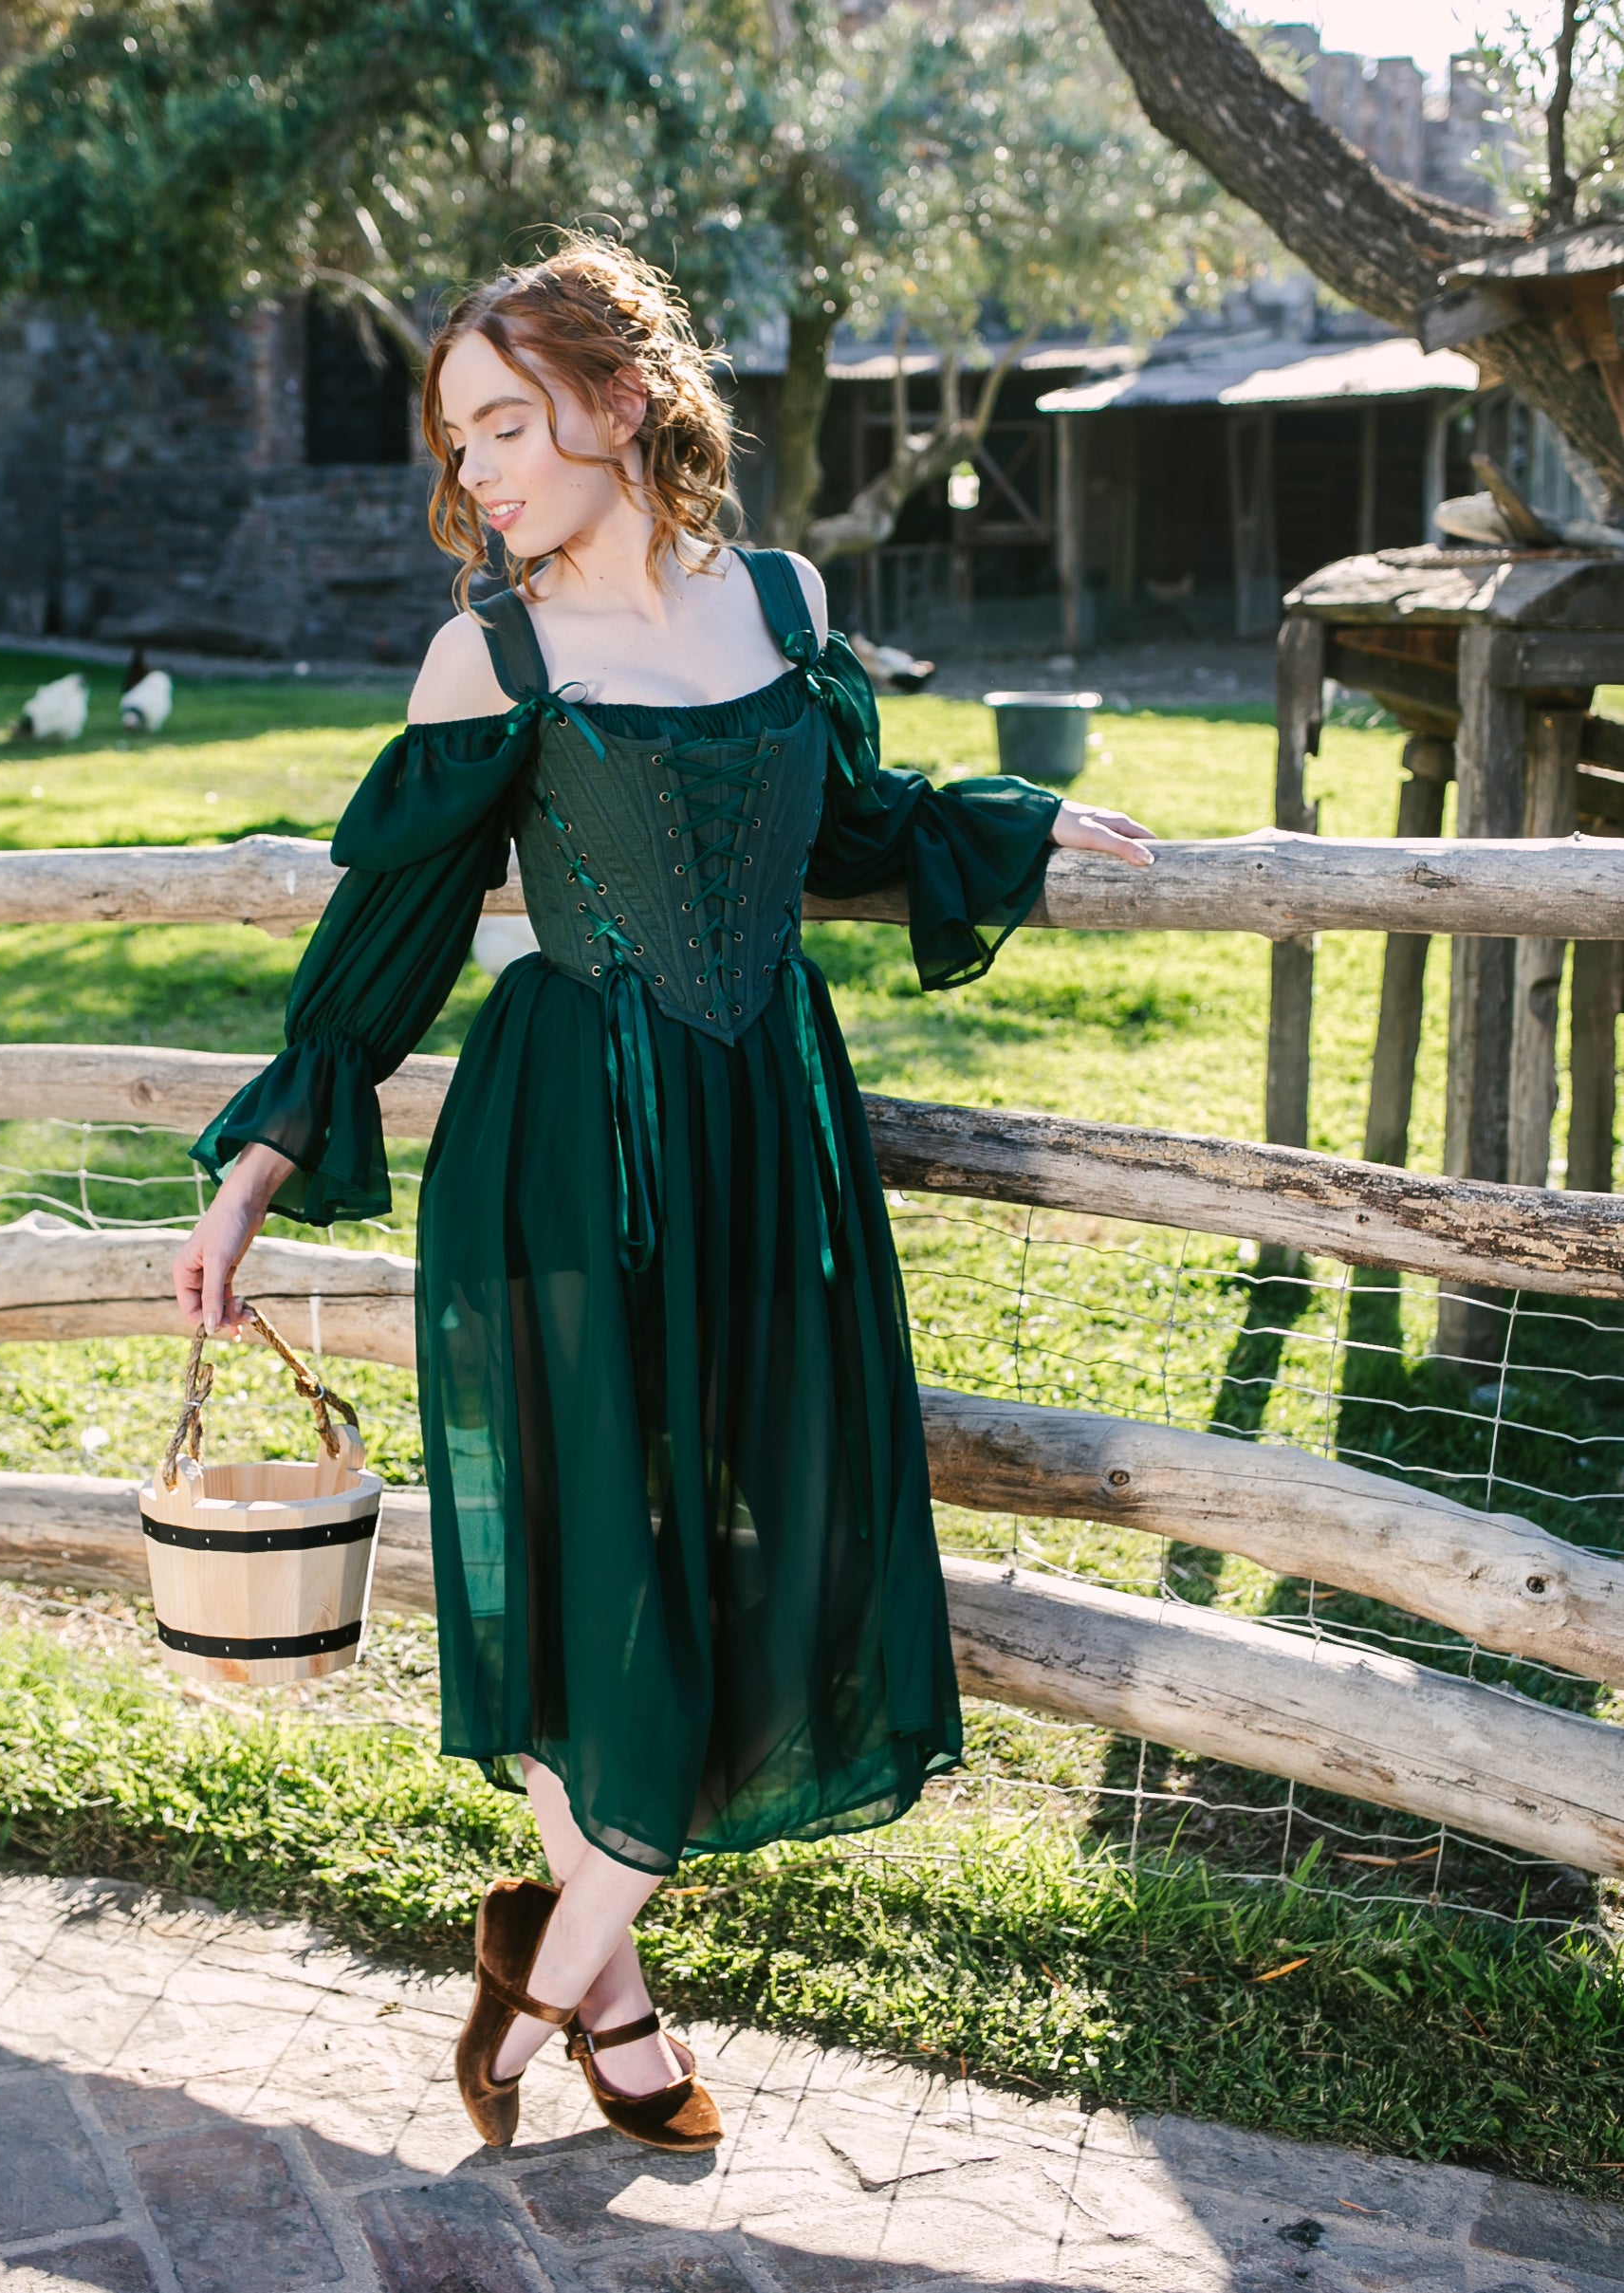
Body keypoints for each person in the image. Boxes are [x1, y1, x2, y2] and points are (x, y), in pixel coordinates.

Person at [171, 236, 1153, 2157]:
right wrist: (260, 1168)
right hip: (558, 1145)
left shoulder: (783, 610)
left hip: (766, 1136)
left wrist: (1015, 824)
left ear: (623, 403)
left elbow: (857, 830)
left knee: (760, 1545)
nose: (481, 477)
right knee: (586, 1557)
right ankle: (582, 2003)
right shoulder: (495, 656)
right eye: (458, 443)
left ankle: (545, 1961)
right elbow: (384, 948)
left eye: (508, 425)